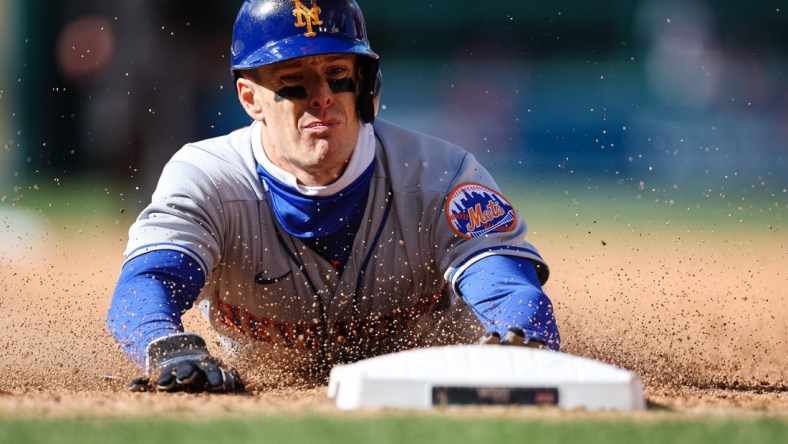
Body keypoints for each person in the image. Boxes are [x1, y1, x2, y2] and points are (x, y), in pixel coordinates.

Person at [107, 0, 560, 393]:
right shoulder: (208, 178)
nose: (322, 96)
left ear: (365, 84)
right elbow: (147, 283)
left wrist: (520, 340)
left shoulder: (440, 176)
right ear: (250, 99)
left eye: (337, 73)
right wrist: (164, 345)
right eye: (293, 78)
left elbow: (507, 288)